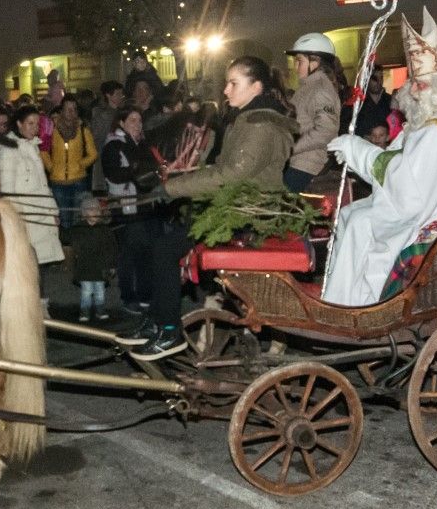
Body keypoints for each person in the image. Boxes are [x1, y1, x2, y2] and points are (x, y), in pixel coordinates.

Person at [123, 57, 296, 358]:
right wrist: (180, 179)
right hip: (236, 207)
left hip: (249, 213)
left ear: (257, 87)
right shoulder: (246, 119)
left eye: (233, 83)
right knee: (160, 244)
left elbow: (230, 175)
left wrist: (171, 189)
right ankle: (157, 320)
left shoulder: (260, 126)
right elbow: (221, 168)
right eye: (226, 83)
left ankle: (168, 330)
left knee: (165, 248)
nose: (226, 91)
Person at [320, 14, 437, 308]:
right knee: (354, 216)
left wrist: (359, 151)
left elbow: (407, 187)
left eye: (422, 85)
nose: (412, 91)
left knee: (360, 224)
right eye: (413, 83)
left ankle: (357, 306)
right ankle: (341, 302)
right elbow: (405, 160)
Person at [101, 110, 159, 318]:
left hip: (145, 206)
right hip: (126, 206)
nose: (137, 124)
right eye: (132, 120)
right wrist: (136, 170)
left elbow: (152, 170)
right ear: (122, 123)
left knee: (145, 252)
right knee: (129, 253)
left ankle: (145, 294)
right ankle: (129, 297)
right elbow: (114, 174)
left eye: (140, 120)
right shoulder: (113, 145)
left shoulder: (141, 144)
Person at [0, 106, 63, 273]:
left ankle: (40, 297)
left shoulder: (32, 146)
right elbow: (8, 192)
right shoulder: (9, 150)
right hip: (27, 217)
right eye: (30, 124)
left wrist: (53, 211)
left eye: (37, 124)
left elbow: (43, 184)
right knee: (27, 265)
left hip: (42, 213)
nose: (35, 128)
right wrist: (16, 220)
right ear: (19, 124)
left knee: (40, 264)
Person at [284, 34, 347, 192]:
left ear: (316, 62)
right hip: (298, 163)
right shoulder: (308, 87)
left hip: (307, 167)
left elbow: (326, 131)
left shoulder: (320, 89)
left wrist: (291, 147)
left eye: (299, 61)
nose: (295, 66)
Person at [43, 96, 97, 225]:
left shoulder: (83, 130)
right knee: (64, 218)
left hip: (79, 180)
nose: (71, 112)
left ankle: (79, 241)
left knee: (80, 218)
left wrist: (81, 165)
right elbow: (43, 151)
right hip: (58, 182)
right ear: (61, 111)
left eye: (74, 109)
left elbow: (93, 154)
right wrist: (51, 167)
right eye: (68, 109)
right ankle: (67, 242)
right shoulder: (52, 131)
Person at [63, 196, 117, 322]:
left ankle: (100, 310)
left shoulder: (105, 230)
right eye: (91, 210)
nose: (95, 213)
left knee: (100, 292)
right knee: (86, 292)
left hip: (101, 268)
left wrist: (112, 265)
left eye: (97, 210)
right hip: (84, 267)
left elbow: (112, 248)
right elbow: (66, 237)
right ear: (84, 213)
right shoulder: (78, 229)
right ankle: (85, 312)